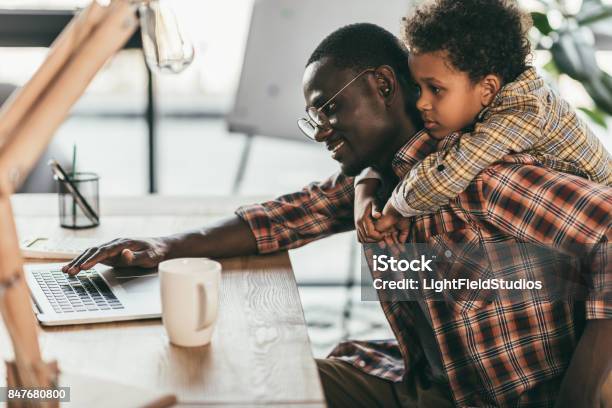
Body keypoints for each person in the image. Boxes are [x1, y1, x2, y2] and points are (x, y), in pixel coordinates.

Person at [62, 23, 611, 407]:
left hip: (511, 399)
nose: (322, 130)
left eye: (327, 108)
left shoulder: (487, 180)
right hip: (417, 385)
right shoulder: (373, 178)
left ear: (383, 85)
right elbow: (282, 218)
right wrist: (161, 248)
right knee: (255, 386)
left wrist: (582, 388)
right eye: (314, 117)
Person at [353, 0, 612, 242]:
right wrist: (366, 185)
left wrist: (397, 207)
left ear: (487, 89)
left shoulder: (522, 111)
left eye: (435, 89)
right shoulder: (487, 106)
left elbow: (452, 169)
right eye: (418, 88)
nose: (421, 102)